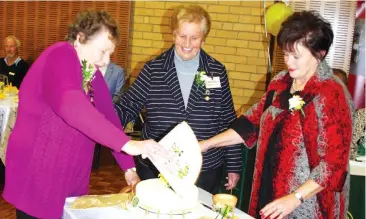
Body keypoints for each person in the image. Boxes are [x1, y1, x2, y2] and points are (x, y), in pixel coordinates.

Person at [2, 10, 166, 219]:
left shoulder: (90, 73)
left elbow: (109, 119)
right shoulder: (59, 55)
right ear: (80, 39)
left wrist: (128, 169)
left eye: (111, 53)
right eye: (103, 51)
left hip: (69, 173)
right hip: (38, 172)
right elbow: (69, 103)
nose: (107, 60)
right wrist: (130, 144)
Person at [200, 11, 354, 219]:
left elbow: (334, 165)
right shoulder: (281, 82)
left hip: (308, 202)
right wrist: (206, 144)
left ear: (320, 54)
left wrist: (295, 197)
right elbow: (249, 125)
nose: (288, 61)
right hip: (268, 192)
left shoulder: (331, 93)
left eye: (296, 56)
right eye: (286, 53)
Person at [115, 4, 242, 194]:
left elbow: (228, 120)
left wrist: (234, 165)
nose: (188, 43)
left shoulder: (216, 71)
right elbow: (127, 107)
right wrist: (102, 123)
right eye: (182, 36)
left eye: (195, 37)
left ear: (204, 38)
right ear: (174, 34)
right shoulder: (153, 70)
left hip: (204, 168)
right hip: (156, 166)